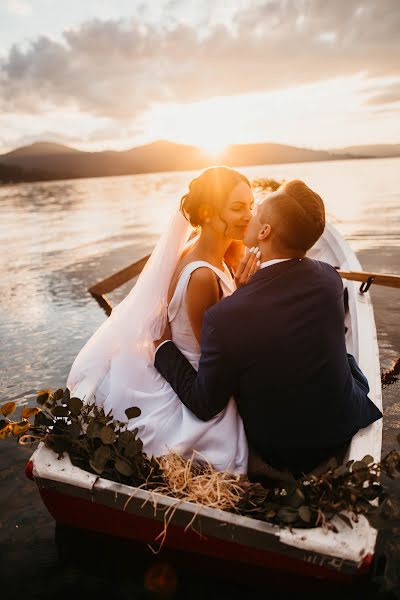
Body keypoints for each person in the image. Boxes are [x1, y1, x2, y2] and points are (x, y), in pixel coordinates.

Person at [154, 179, 383, 478]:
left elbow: (205, 404)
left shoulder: (226, 317)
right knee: (342, 358)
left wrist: (163, 347)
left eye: (256, 210)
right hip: (345, 416)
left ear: (264, 232)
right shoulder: (330, 279)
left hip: (282, 449)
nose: (249, 216)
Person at [67, 166, 258, 474]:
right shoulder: (202, 277)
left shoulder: (206, 254)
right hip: (199, 388)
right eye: (237, 208)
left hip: (195, 368)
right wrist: (247, 296)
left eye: (251, 206)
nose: (248, 215)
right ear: (208, 212)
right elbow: (219, 355)